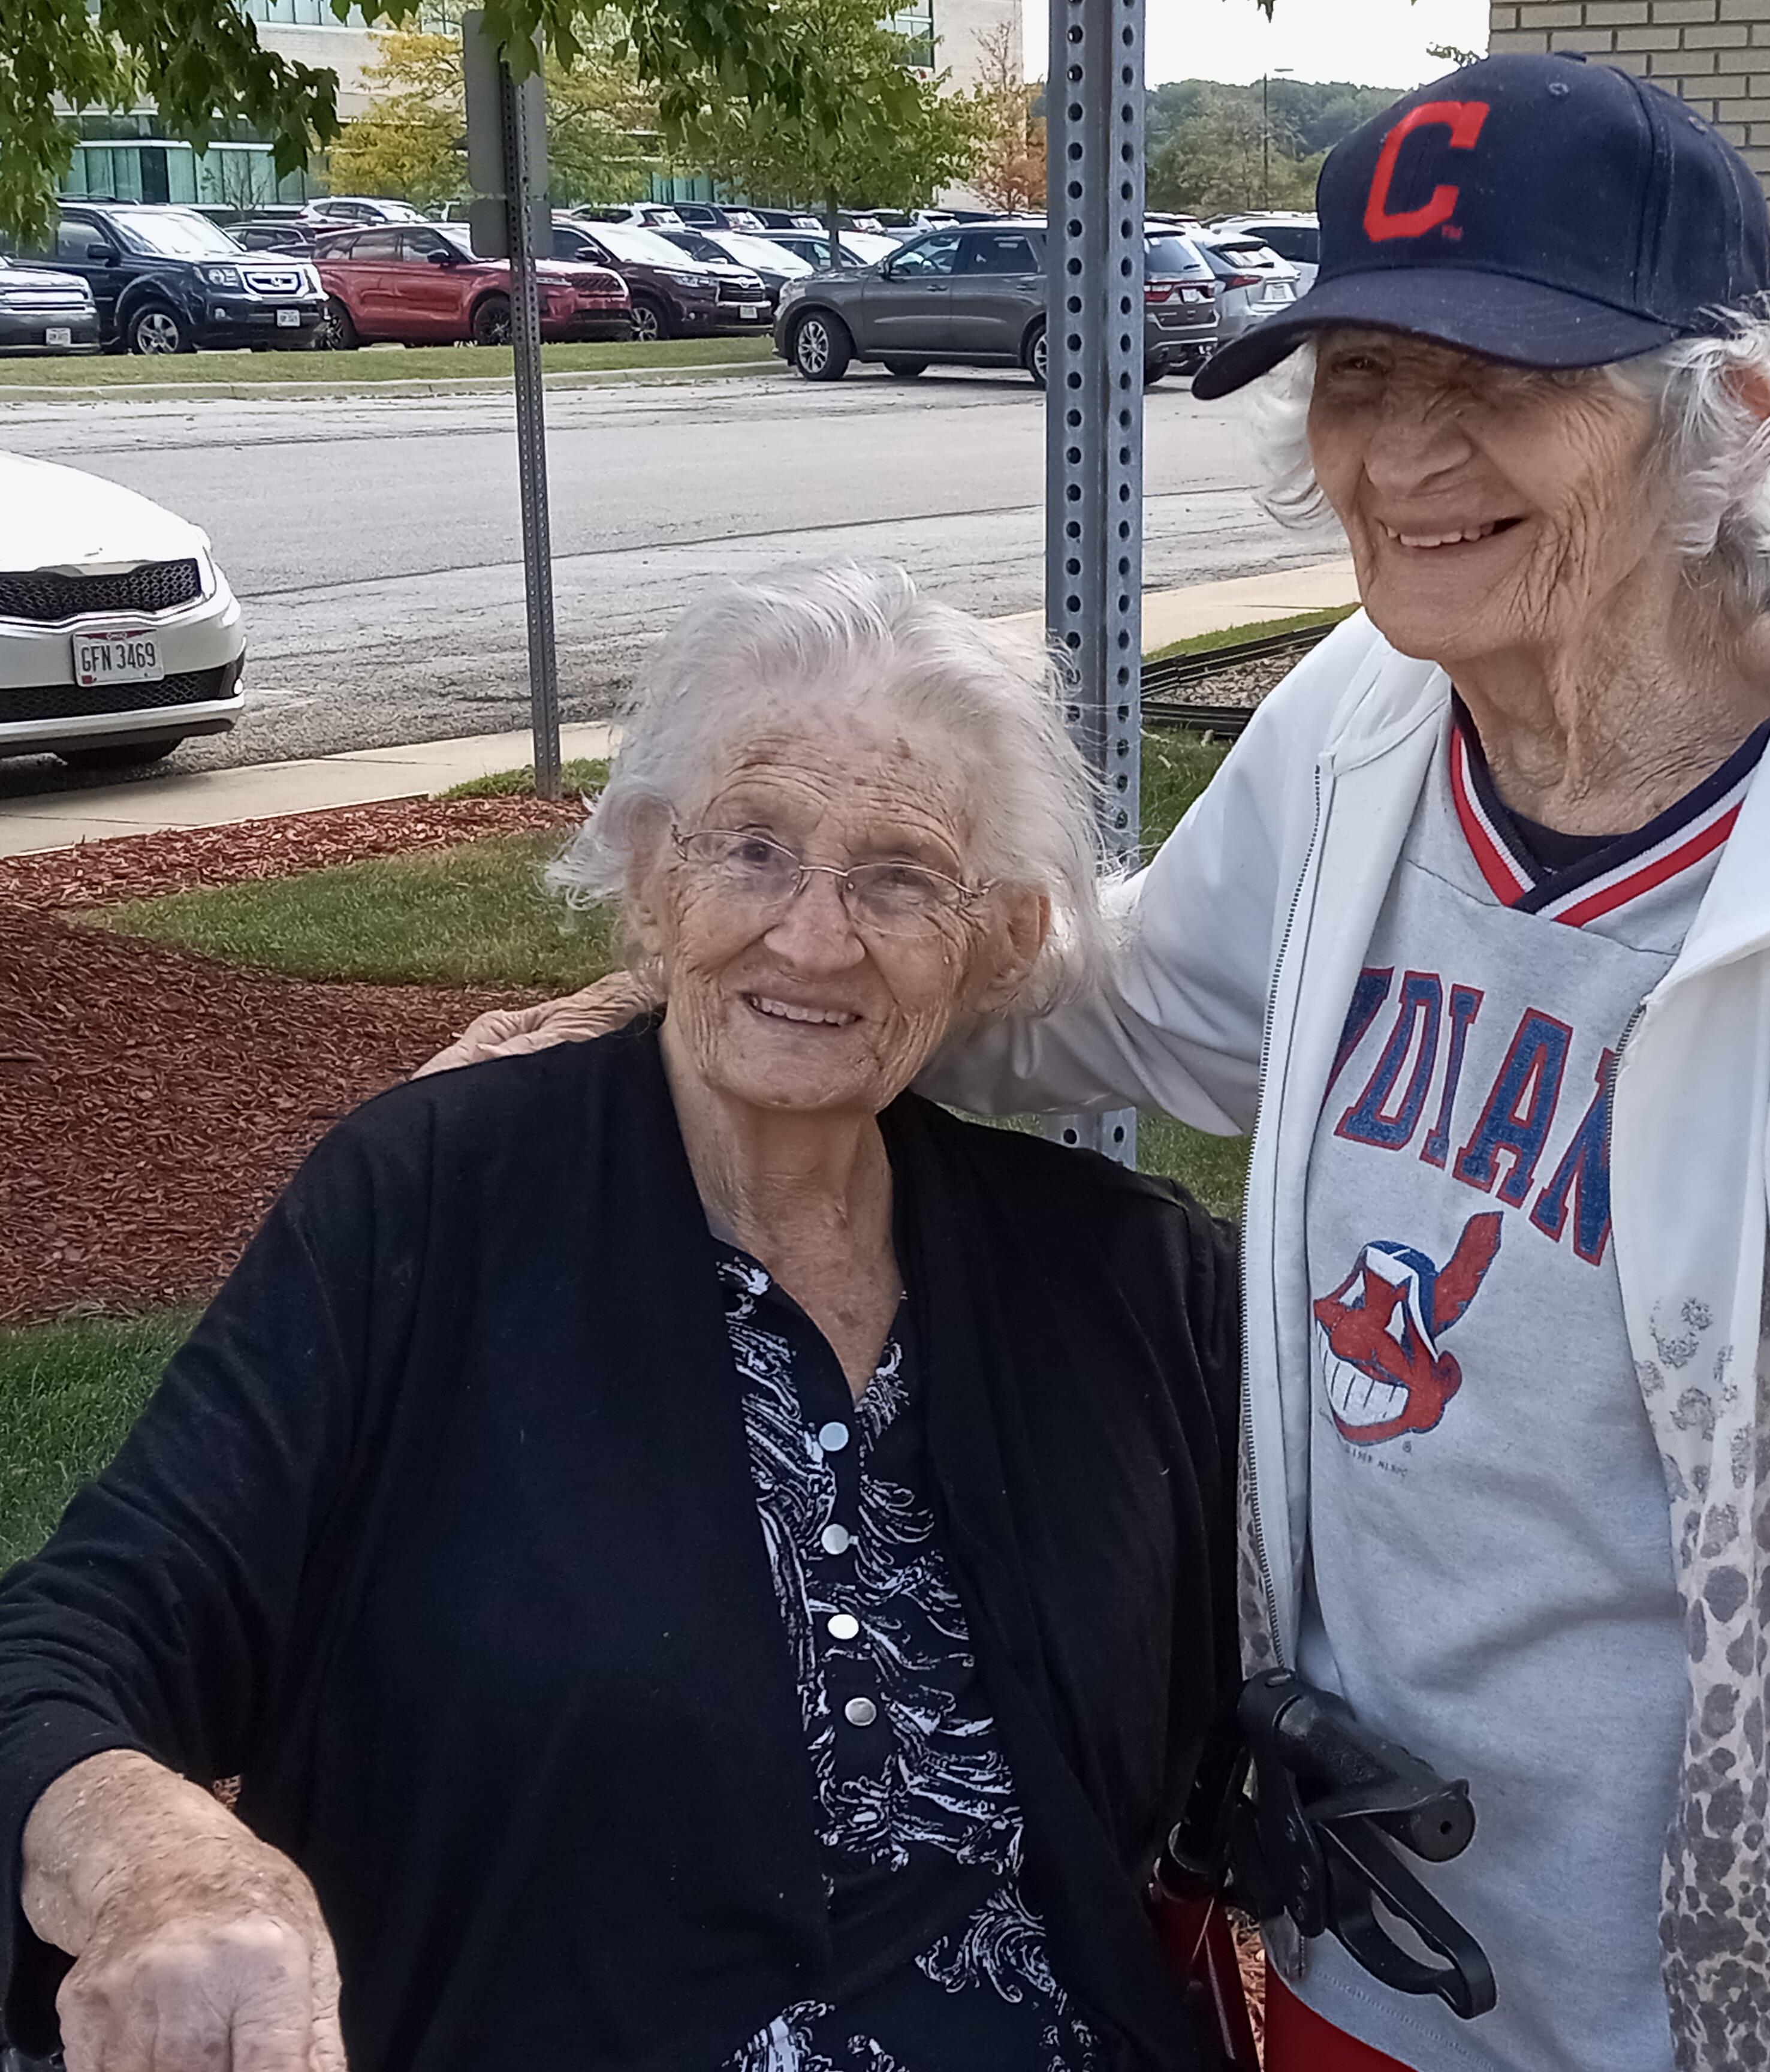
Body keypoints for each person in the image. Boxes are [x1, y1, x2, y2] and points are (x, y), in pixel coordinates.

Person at [439, 52, 1770, 2072]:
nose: (1402, 454)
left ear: (1720, 423)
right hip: (1362, 1940)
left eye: (1499, 377)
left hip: (1754, 1998)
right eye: (1362, 374)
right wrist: (760, 985)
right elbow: (1124, 1004)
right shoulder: (1367, 722)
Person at [0, 569, 1244, 2072]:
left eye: (901, 877)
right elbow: (71, 1640)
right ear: (649, 868)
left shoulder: (1120, 1281)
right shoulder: (434, 1205)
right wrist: (169, 1875)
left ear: (1003, 940)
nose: (813, 938)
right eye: (755, 849)